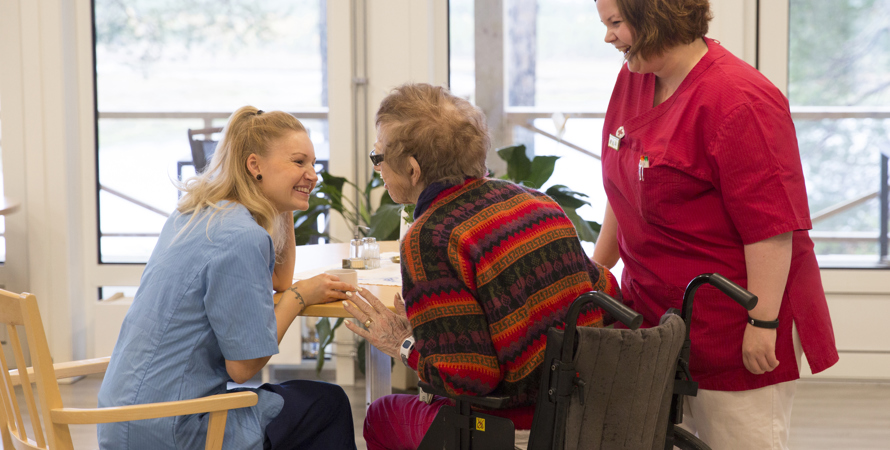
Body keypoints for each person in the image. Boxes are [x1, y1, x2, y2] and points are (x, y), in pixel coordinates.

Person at [592, 1, 839, 448]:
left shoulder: (739, 99)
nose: (608, 37)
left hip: (735, 315)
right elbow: (625, 182)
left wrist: (762, 323)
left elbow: (770, 227)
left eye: (615, 23)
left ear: (655, 16)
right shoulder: (635, 76)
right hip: (657, 312)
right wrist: (598, 269)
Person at [340, 83, 621, 450]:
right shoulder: (537, 203)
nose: (377, 168)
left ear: (412, 169)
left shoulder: (432, 236)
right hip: (589, 411)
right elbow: (605, 291)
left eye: (379, 158)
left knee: (382, 414)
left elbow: (468, 379)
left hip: (516, 429)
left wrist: (404, 343)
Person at [97, 107, 358, 450]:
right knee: (327, 403)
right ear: (254, 165)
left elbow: (279, 278)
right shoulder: (242, 237)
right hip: (174, 428)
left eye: (313, 164)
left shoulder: (192, 213)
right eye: (299, 162)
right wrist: (301, 297)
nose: (313, 174)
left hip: (121, 421)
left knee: (303, 403)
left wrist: (286, 200)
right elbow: (243, 366)